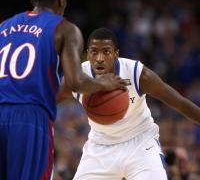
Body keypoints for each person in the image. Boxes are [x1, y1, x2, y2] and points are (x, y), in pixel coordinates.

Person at [0, 0, 127, 179]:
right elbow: (75, 82)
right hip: (30, 118)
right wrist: (104, 82)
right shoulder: (65, 29)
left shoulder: (3, 27)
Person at [69, 28, 200, 180]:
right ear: (88, 54)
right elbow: (47, 100)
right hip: (100, 147)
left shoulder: (137, 73)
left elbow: (179, 103)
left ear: (116, 54)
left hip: (141, 143)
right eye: (94, 52)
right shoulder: (77, 78)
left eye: (106, 52)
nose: (99, 58)